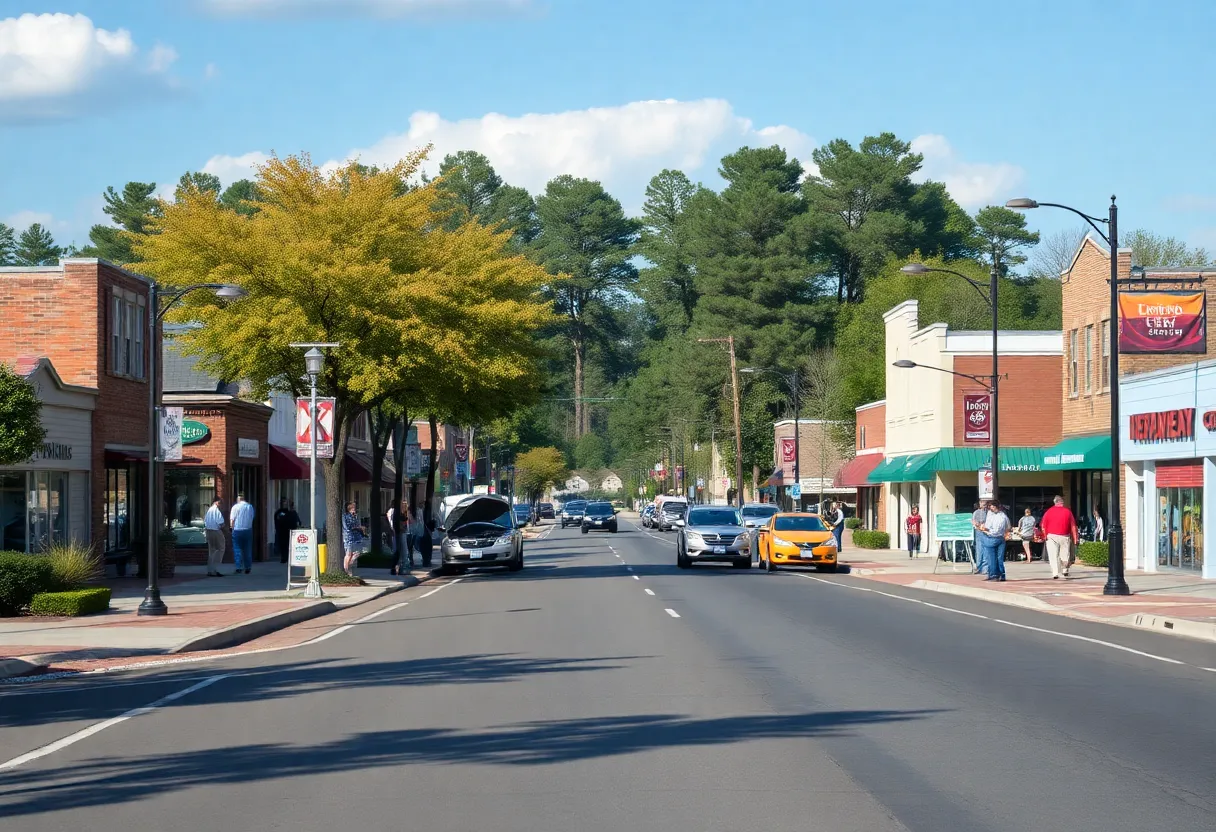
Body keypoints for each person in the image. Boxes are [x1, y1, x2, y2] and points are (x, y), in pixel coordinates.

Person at [1040, 495, 1079, 579]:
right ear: (1062, 502)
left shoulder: (1048, 512)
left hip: (1051, 536)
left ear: (1055, 502)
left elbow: (1043, 525)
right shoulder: (1068, 512)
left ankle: (1055, 572)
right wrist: (1075, 538)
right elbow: (1073, 526)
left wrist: (1045, 536)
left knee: (1053, 555)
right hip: (1065, 536)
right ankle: (1065, 569)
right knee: (1065, 554)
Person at [979, 500, 1010, 581]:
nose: (990, 508)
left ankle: (994, 575)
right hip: (998, 537)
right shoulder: (997, 515)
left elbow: (995, 530)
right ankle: (999, 575)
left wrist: (984, 529)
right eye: (990, 507)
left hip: (993, 537)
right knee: (997, 558)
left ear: (996, 507)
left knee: (992, 558)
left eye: (992, 506)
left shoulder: (1000, 517)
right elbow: (1008, 526)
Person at [229, 493, 255, 574]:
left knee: (237, 549)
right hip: (248, 530)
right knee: (247, 549)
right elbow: (252, 517)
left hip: (237, 530)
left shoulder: (235, 507)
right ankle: (248, 567)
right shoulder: (250, 507)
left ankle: (238, 567)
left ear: (238, 499)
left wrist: (231, 528)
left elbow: (232, 519)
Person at [342, 501, 367, 575]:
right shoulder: (345, 516)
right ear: (350, 508)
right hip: (349, 537)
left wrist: (360, 528)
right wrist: (359, 528)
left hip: (356, 538)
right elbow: (348, 527)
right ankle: (347, 571)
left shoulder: (355, 516)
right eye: (353, 508)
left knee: (358, 552)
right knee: (348, 554)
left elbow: (357, 524)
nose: (355, 509)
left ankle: (349, 565)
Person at [204, 498, 227, 577]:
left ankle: (210, 570)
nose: (221, 505)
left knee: (212, 551)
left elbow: (205, 521)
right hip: (215, 531)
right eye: (221, 503)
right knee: (221, 548)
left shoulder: (209, 510)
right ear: (217, 503)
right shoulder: (216, 510)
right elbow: (220, 523)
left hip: (208, 531)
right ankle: (215, 568)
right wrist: (227, 530)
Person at [273, 498, 299, 564]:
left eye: (286, 503)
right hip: (282, 531)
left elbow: (296, 521)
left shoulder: (290, 512)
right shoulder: (279, 512)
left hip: (289, 531)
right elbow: (277, 521)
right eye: (284, 503)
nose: (285, 504)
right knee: (283, 545)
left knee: (288, 545)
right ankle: (284, 558)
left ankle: (287, 558)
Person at [971, 500, 989, 574]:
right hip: (979, 532)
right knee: (979, 550)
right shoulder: (976, 512)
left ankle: (985, 568)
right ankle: (979, 567)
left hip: (987, 532)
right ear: (980, 504)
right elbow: (974, 522)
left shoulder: (989, 512)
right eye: (982, 503)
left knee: (986, 550)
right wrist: (979, 525)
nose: (984, 505)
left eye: (985, 504)